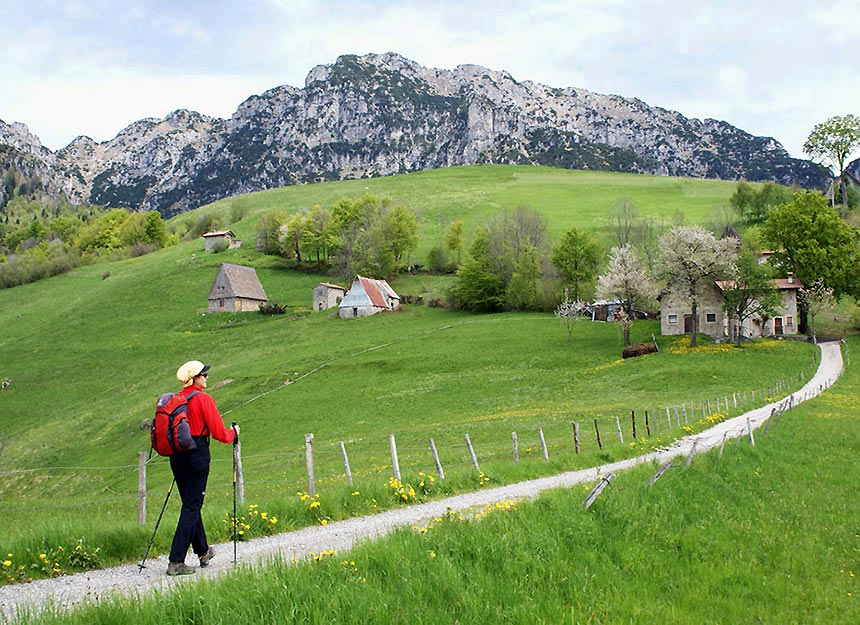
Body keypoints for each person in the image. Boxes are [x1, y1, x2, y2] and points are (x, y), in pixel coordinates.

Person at [166, 360, 239, 576]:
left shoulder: (176, 400)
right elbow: (219, 433)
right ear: (195, 378)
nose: (207, 378)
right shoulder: (203, 399)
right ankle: (176, 560)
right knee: (192, 506)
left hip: (177, 456)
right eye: (204, 375)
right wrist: (233, 433)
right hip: (197, 453)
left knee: (191, 502)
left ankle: (203, 551)